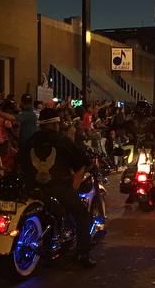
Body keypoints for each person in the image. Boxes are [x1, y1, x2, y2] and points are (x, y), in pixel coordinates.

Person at [17, 108, 96, 268]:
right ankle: (82, 254)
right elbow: (79, 160)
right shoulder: (61, 141)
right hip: (58, 189)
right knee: (82, 216)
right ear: (54, 124)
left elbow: (19, 162)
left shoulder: (28, 142)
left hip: (33, 189)